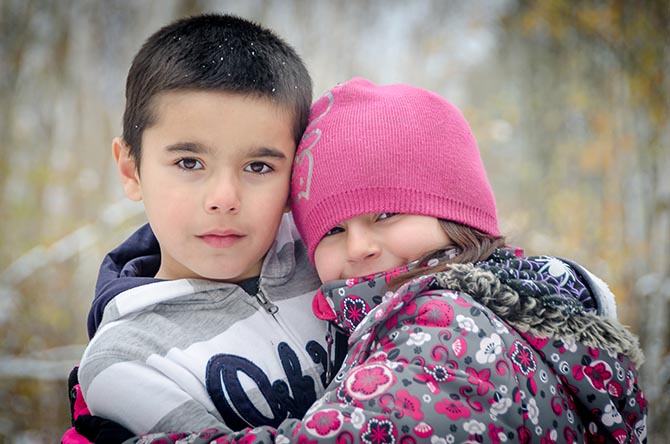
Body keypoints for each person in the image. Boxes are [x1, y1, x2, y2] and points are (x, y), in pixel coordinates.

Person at [117, 79, 647, 443]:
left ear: (458, 213)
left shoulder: (452, 325)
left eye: (388, 214)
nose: (359, 247)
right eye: (332, 229)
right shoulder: (476, 307)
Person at [63, 13, 347, 441]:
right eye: (189, 163)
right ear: (131, 170)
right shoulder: (126, 360)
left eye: (258, 166)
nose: (224, 198)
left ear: (296, 175)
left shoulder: (337, 257)